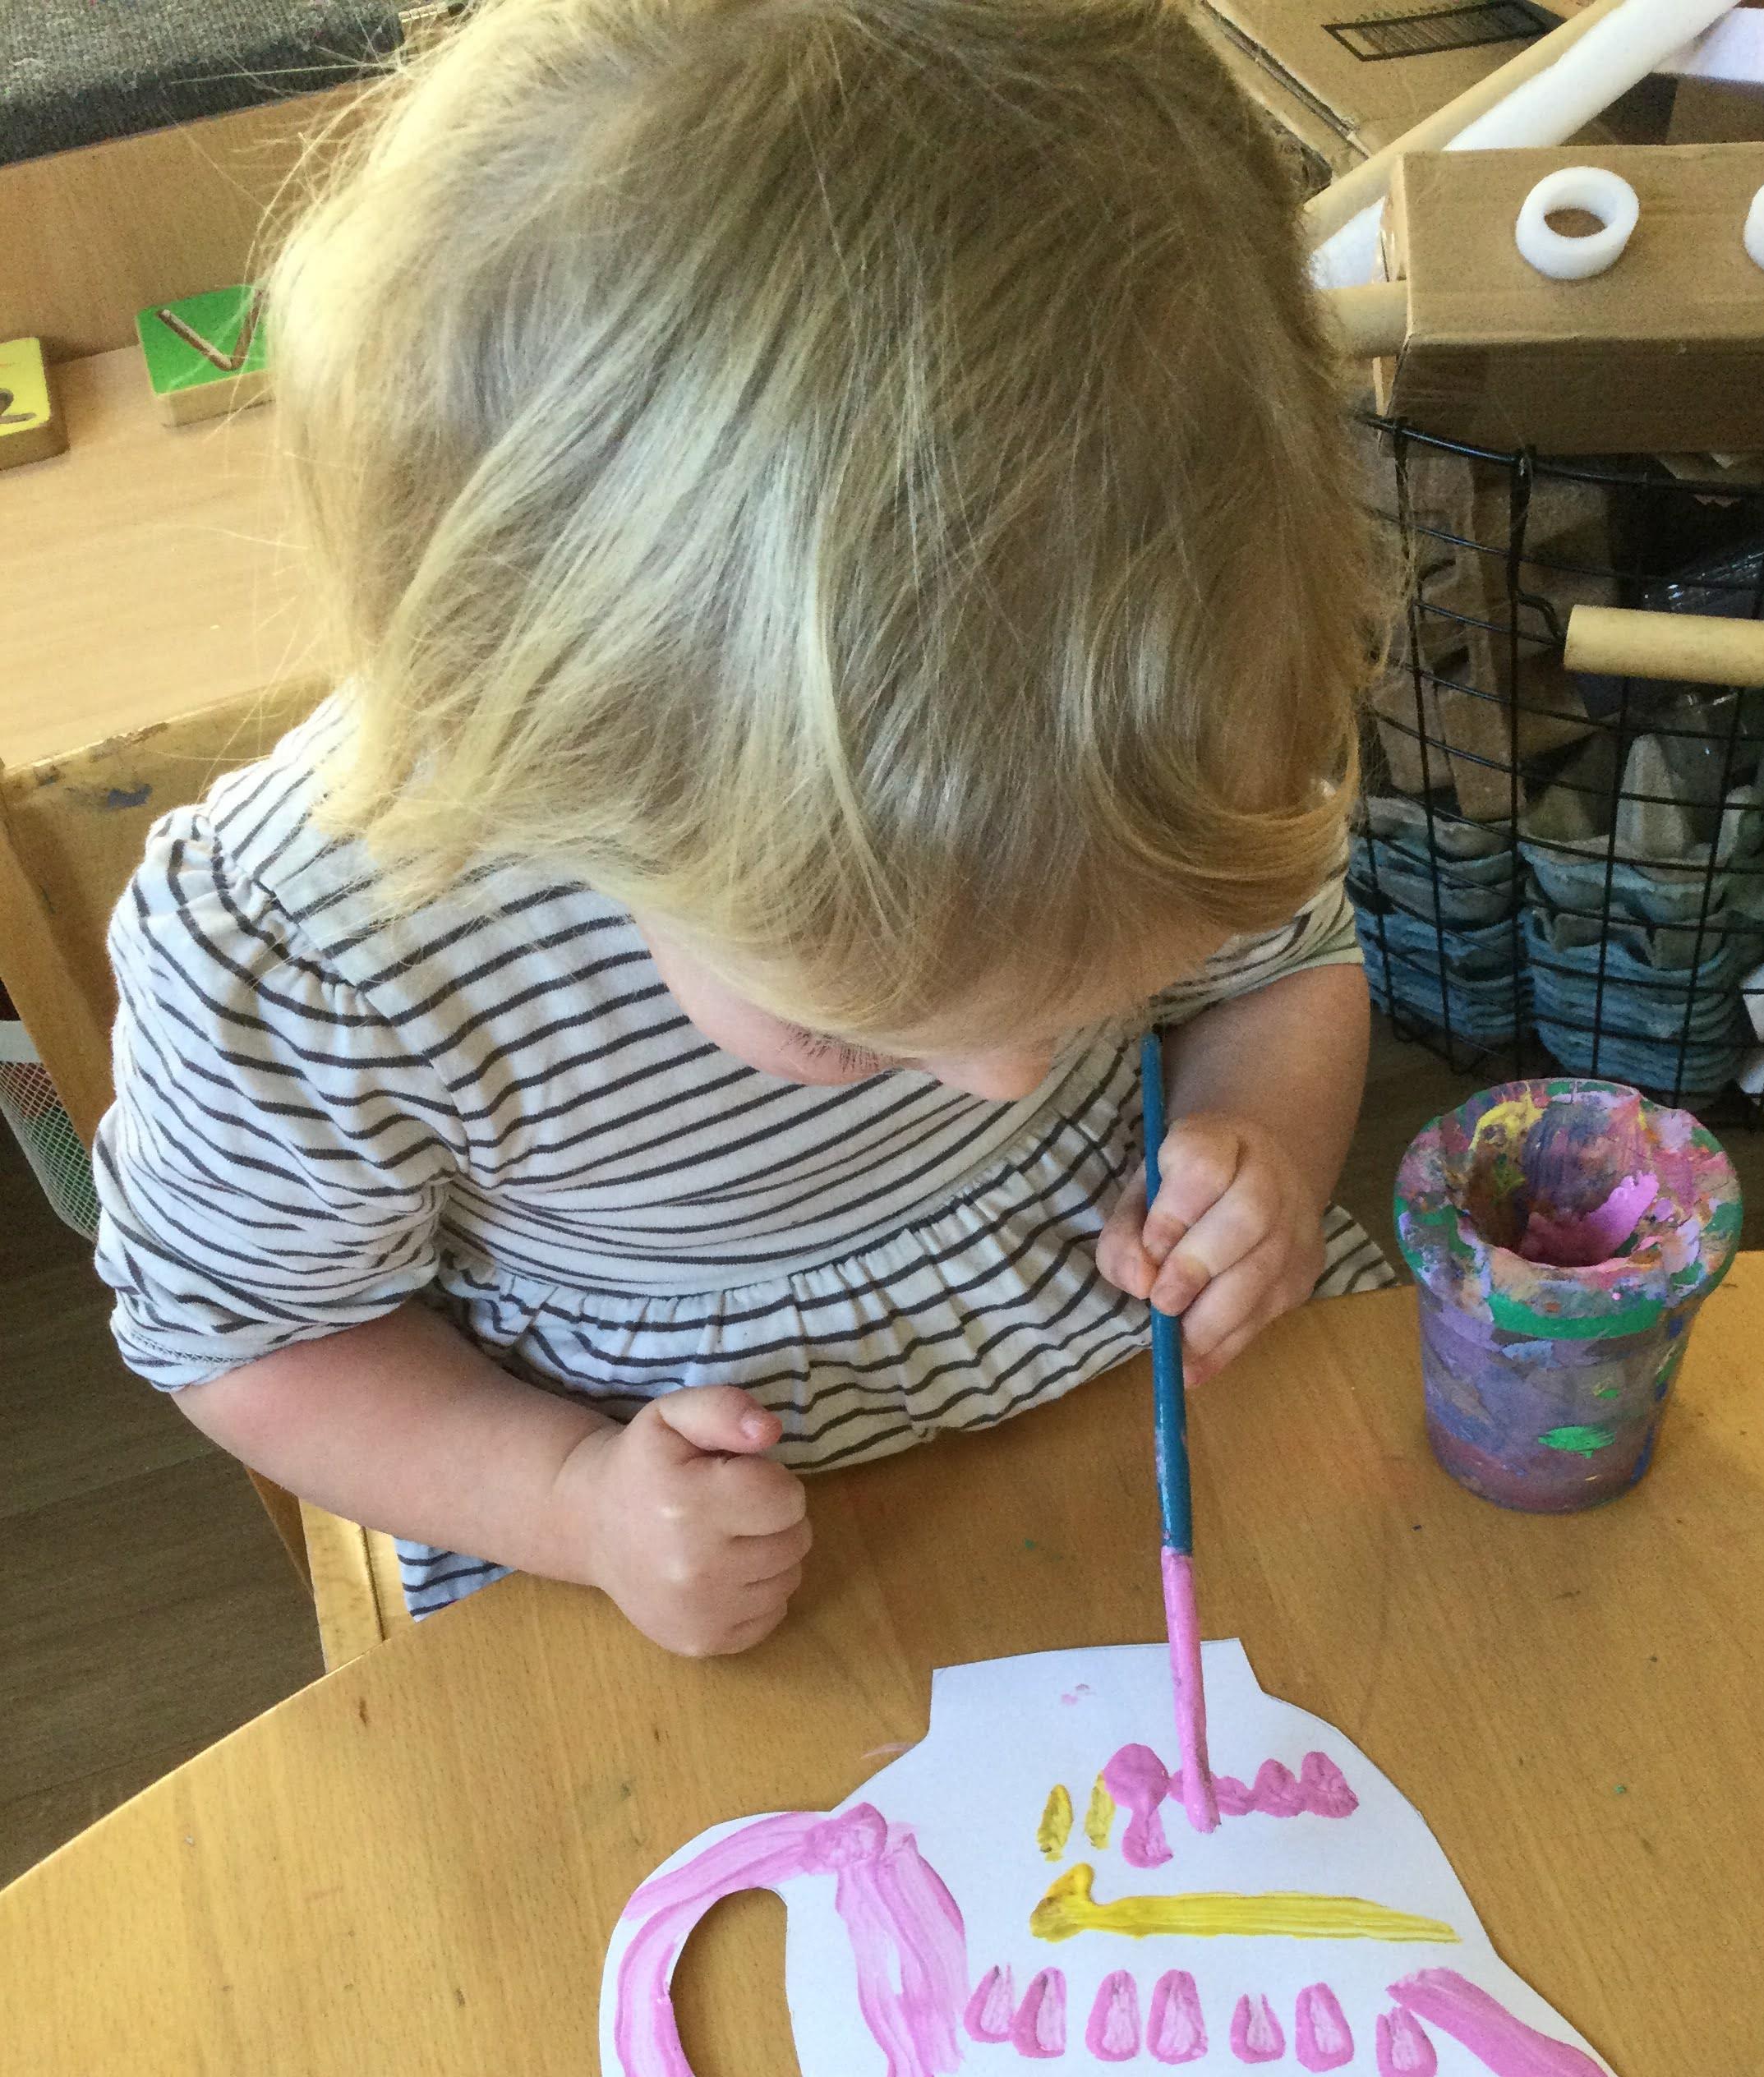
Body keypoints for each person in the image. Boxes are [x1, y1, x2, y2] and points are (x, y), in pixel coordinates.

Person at [93, 0, 1394, 1659]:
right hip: (655, 1531)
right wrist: (573, 1501)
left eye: (1097, 991)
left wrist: (1260, 1137)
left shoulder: (1182, 697)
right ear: (548, 756)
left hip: (1138, 1388)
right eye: (847, 1028)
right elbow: (251, 1338)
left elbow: (1284, 971)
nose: (1017, 1077)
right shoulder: (321, 950)